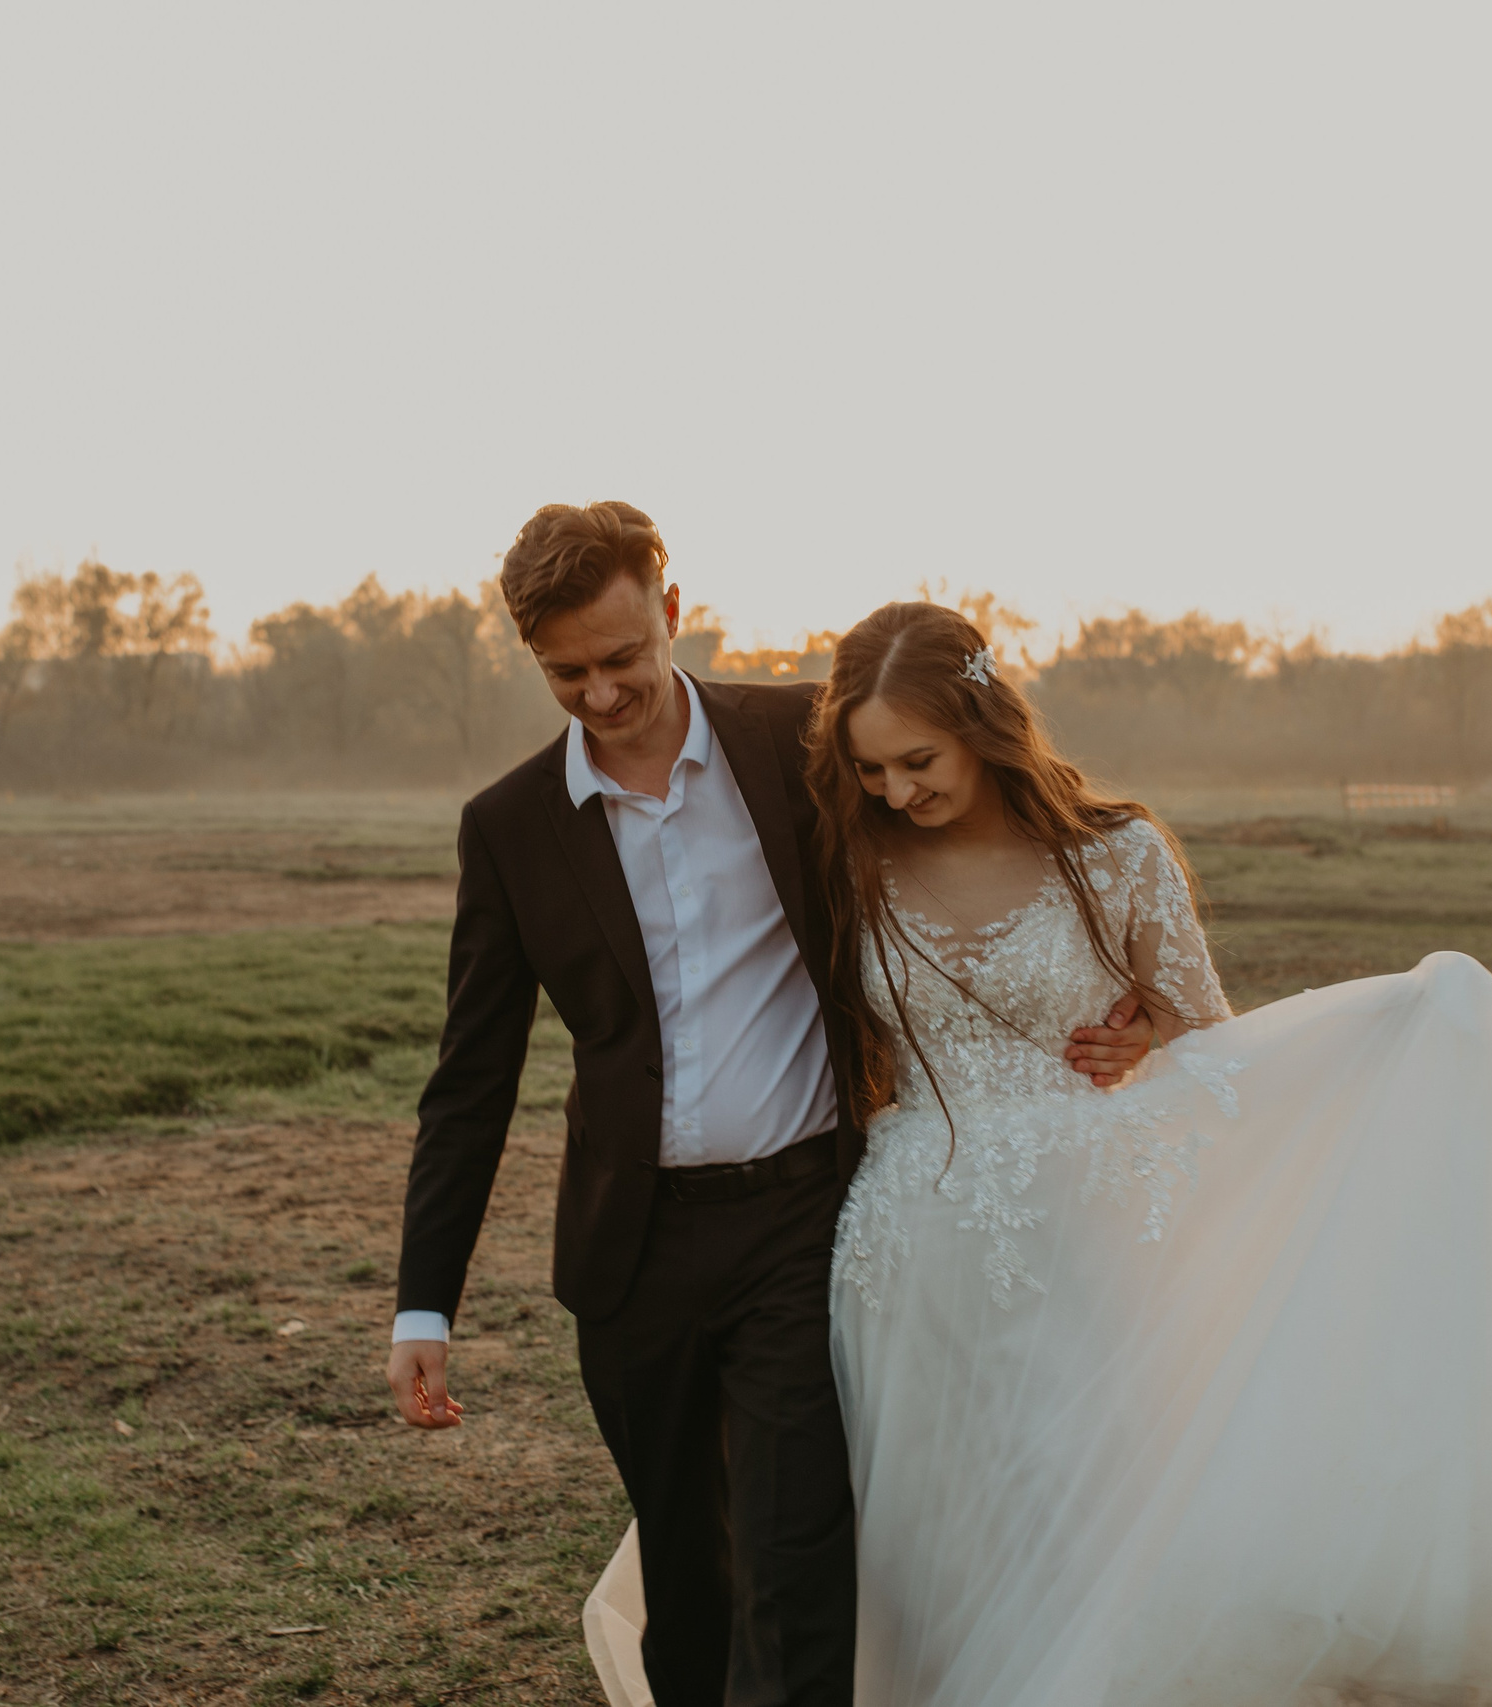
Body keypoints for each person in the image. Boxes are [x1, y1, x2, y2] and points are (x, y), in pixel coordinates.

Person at [590, 600, 1492, 1705]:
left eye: (917, 760)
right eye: (871, 767)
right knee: (923, 1530)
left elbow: (1212, 1044)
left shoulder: (1115, 856)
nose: (896, 790)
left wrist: (1155, 1040)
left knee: (1084, 1508)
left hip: (1086, 1241)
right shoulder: (844, 859)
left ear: (982, 722)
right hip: (906, 1253)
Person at [385, 509, 1148, 1707]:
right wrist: (423, 1302)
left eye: (621, 658)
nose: (599, 693)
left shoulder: (798, 738)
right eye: (565, 673)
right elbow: (470, 1079)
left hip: (801, 1222)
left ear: (671, 612)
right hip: (629, 1257)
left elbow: (975, 818)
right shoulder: (510, 826)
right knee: (689, 1584)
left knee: (798, 1565)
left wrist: (1122, 991)